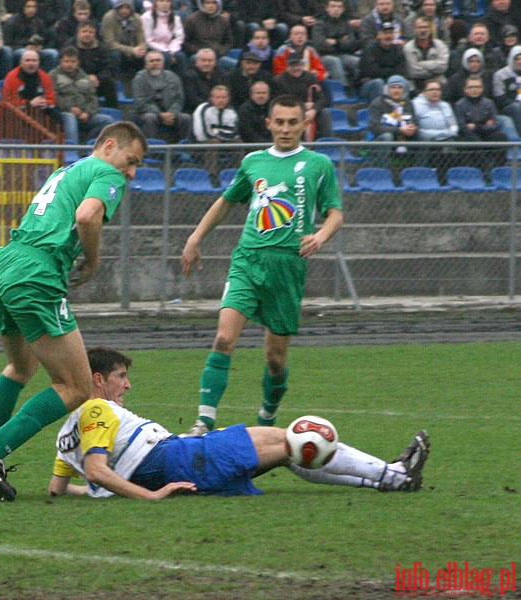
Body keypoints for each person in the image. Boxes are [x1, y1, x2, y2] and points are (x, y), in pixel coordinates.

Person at [0, 122, 147, 502]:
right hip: (36, 274)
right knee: (77, 387)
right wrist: (93, 260)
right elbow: (86, 216)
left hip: (5, 265)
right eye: (131, 161)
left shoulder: (68, 170)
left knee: (21, 367)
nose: (131, 172)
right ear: (109, 145)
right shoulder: (106, 174)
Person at [48, 346, 430, 498]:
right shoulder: (95, 410)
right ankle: (395, 476)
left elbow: (58, 490)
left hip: (179, 458)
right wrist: (150, 494)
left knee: (286, 453)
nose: (127, 384)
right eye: (119, 377)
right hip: (181, 458)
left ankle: (389, 478)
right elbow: (97, 471)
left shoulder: (68, 431)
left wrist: (111, 493)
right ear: (97, 380)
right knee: (295, 439)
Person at [179, 95, 344, 436]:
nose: (285, 129)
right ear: (268, 123)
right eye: (279, 122)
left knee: (275, 359)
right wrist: (195, 238)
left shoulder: (318, 165)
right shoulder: (253, 162)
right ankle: (203, 422)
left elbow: (335, 213)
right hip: (248, 259)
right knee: (224, 338)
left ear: (303, 125)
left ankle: (267, 419)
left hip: (288, 266)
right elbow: (226, 202)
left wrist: (321, 236)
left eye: (292, 122)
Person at [50, 46, 115, 144]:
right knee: (70, 117)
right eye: (66, 61)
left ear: (78, 62)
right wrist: (70, 108)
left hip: (84, 115)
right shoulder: (53, 76)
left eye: (72, 61)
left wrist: (87, 112)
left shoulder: (85, 77)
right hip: (62, 114)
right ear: (60, 61)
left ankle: (87, 145)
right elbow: (54, 97)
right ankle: (72, 150)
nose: (69, 64)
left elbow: (93, 98)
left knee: (107, 120)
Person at [132, 50, 192, 140]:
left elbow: (179, 99)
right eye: (151, 61)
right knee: (150, 118)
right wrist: (160, 114)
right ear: (146, 64)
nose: (155, 63)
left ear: (163, 63)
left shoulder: (173, 77)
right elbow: (141, 102)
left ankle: (184, 148)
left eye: (158, 60)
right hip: (146, 114)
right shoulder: (139, 78)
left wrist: (171, 113)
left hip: (170, 113)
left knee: (186, 118)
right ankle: (150, 149)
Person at [272, 52, 333, 139]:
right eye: (292, 65)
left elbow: (322, 99)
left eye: (298, 65)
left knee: (325, 114)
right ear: (287, 66)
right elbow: (278, 101)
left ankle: (328, 143)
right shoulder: (278, 81)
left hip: (310, 112)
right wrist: (301, 106)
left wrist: (314, 109)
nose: (296, 68)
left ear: (302, 65)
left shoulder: (310, 77)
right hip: (289, 112)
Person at [454, 74, 509, 167]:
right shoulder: (459, 105)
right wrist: (485, 125)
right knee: (473, 141)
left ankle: (499, 168)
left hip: (487, 134)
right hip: (470, 137)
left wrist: (476, 127)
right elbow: (463, 127)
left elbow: (495, 124)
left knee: (500, 136)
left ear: (482, 89)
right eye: (471, 87)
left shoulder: (489, 103)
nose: (474, 89)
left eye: (477, 87)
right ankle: (484, 170)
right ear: (465, 90)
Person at [2, 49, 63, 127]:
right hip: (17, 115)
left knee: (55, 113)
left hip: (39, 112)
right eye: (27, 60)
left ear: (39, 63)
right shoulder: (11, 77)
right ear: (21, 63)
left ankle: (58, 137)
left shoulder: (45, 77)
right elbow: (8, 101)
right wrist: (29, 103)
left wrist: (46, 103)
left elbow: (51, 98)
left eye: (34, 61)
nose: (31, 63)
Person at [68, 20, 119, 108]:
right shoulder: (70, 46)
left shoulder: (101, 47)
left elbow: (108, 67)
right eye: (84, 31)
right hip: (76, 81)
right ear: (78, 33)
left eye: (91, 32)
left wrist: (97, 77)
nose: (87, 34)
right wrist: (85, 77)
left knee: (110, 83)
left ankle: (113, 111)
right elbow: (67, 66)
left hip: (96, 82)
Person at [367, 74, 418, 163]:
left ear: (404, 90)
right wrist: (399, 130)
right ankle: (383, 169)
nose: (396, 90)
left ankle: (421, 168)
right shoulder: (377, 103)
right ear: (388, 89)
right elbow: (375, 127)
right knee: (387, 136)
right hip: (380, 139)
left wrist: (413, 129)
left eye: (399, 88)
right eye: (393, 87)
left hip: (404, 138)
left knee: (423, 136)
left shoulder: (408, 103)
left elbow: (415, 122)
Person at [312, 0, 362, 89]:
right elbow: (320, 45)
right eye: (333, 6)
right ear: (327, 8)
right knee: (334, 61)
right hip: (324, 56)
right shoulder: (319, 24)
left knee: (357, 61)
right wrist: (342, 42)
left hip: (343, 55)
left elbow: (353, 44)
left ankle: (358, 87)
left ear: (342, 9)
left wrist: (336, 42)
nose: (336, 9)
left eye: (339, 7)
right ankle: (343, 89)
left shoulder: (346, 24)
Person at [357, 21, 409, 100]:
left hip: (389, 83)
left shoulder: (398, 50)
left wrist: (384, 72)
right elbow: (372, 72)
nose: (388, 36)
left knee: (404, 82)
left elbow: (402, 71)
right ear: (379, 35)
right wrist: (392, 71)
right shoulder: (370, 49)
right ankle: (378, 109)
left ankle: (403, 109)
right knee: (378, 82)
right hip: (367, 86)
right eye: (385, 33)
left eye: (391, 33)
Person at [2, 0, 59, 71]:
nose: (31, 9)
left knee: (53, 53)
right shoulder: (12, 22)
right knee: (24, 53)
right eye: (28, 7)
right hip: (18, 50)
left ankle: (44, 78)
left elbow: (45, 39)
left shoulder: (39, 22)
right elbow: (7, 44)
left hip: (35, 50)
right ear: (23, 8)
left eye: (34, 7)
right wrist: (26, 47)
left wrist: (41, 47)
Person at [101, 0, 148, 83]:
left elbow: (141, 39)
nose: (124, 10)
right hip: (116, 50)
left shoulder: (136, 18)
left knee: (145, 54)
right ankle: (116, 81)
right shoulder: (108, 17)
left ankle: (141, 81)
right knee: (115, 55)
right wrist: (131, 50)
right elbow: (109, 43)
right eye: (121, 7)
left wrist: (141, 49)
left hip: (133, 49)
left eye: (127, 7)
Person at [141, 0, 189, 79]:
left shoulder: (175, 17)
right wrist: (166, 51)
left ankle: (182, 84)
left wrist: (172, 50)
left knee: (181, 56)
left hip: (170, 48)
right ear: (156, 3)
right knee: (166, 57)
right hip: (153, 48)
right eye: (161, 1)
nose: (164, 4)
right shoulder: (147, 17)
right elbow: (148, 40)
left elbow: (179, 37)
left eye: (167, 1)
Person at [181, 0, 234, 70]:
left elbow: (229, 42)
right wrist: (200, 52)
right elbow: (184, 42)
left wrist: (220, 52)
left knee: (234, 64)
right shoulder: (191, 19)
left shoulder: (223, 21)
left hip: (218, 55)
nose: (210, 6)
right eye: (207, 3)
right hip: (197, 54)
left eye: (214, 3)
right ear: (202, 4)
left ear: (218, 5)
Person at [403, 16, 449, 89]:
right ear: (414, 30)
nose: (423, 30)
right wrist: (434, 68)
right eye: (420, 27)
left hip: (438, 82)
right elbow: (413, 71)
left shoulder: (440, 45)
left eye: (426, 27)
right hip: (416, 83)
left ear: (430, 30)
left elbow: (443, 67)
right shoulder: (408, 47)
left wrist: (421, 64)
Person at [182, 47, 227, 113]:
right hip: (196, 110)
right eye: (203, 60)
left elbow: (226, 94)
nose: (207, 63)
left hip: (220, 108)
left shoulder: (222, 74)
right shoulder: (189, 76)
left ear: (215, 62)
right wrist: (212, 106)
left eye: (210, 61)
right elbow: (192, 99)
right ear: (197, 62)